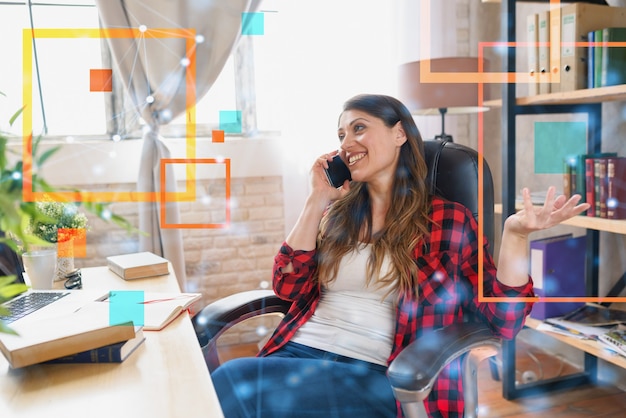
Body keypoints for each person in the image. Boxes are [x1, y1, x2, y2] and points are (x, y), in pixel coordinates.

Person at [210, 94, 589, 418]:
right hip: (297, 351)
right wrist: (315, 200)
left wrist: (516, 235)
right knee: (231, 390)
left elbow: (505, 321)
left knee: (232, 384)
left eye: (359, 128)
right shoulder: (336, 214)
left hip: (379, 372)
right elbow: (288, 285)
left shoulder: (447, 220)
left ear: (399, 134)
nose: (346, 143)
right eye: (341, 134)